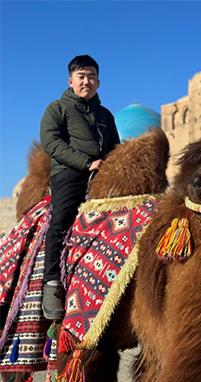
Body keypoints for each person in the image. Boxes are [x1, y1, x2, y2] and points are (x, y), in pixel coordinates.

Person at [40, 55, 120, 320]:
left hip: (101, 173)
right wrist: (86, 164)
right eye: (82, 76)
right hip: (69, 173)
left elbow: (115, 148)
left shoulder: (105, 115)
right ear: (71, 80)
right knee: (60, 222)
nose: (87, 81)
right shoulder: (58, 108)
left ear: (98, 81)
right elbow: (52, 143)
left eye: (92, 76)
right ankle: (51, 284)